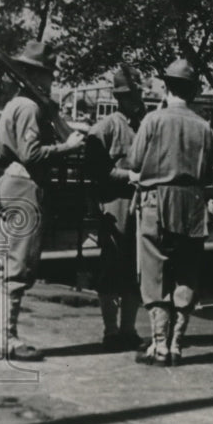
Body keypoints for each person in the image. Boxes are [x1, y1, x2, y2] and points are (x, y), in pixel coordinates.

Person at [0, 40, 85, 361]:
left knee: (5, 264)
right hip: (25, 186)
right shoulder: (31, 107)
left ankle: (0, 336)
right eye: (49, 75)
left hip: (7, 182)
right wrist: (68, 147)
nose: (51, 81)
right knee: (18, 265)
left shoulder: (15, 104)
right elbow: (32, 155)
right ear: (39, 75)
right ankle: (8, 339)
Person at [127, 59, 213, 366]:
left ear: (166, 87)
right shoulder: (205, 127)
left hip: (156, 201)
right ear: (193, 91)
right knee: (186, 272)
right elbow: (211, 174)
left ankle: (159, 345)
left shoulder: (154, 120)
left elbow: (134, 162)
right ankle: (177, 344)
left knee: (154, 273)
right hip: (192, 205)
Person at [84, 66, 147, 351]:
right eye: (131, 94)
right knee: (111, 265)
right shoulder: (106, 126)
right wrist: (127, 176)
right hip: (115, 203)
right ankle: (111, 330)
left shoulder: (145, 125)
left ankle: (129, 329)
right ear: (120, 97)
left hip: (141, 204)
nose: (137, 99)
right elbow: (97, 169)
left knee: (136, 267)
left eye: (138, 93)